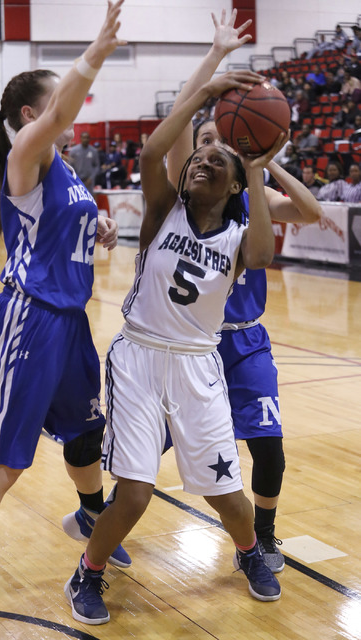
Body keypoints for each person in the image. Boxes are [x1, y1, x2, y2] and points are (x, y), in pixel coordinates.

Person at [65, 62, 288, 623]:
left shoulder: (239, 235)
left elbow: (262, 256)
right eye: (198, 158)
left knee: (227, 497)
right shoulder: (165, 212)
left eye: (218, 162)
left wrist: (258, 170)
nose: (202, 163)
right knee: (136, 493)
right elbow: (150, 154)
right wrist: (204, 93)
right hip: (139, 356)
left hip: (197, 365)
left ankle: (248, 552)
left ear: (234, 185)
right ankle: (85, 574)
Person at [163, 9, 321, 575]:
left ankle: (265, 535)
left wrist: (268, 163)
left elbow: (311, 211)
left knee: (270, 446)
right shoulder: (181, 207)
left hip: (246, 344)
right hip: (188, 345)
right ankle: (105, 510)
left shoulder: (252, 201)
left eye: (223, 139)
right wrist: (212, 64)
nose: (214, 144)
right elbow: (178, 133)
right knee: (149, 443)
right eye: (205, 139)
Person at [0, 0, 131, 569]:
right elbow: (55, 121)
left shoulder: (66, 166)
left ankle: (90, 516)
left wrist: (98, 225)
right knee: (10, 455)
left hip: (71, 320)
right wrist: (96, 52)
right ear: (31, 114)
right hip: (32, 315)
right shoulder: (25, 152)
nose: (70, 109)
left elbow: (66, 220)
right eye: (57, 100)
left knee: (85, 431)